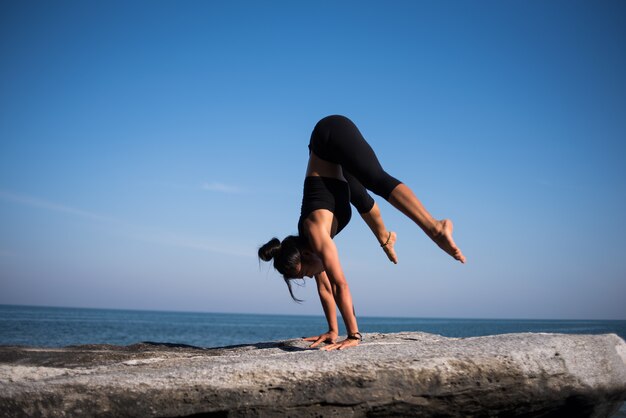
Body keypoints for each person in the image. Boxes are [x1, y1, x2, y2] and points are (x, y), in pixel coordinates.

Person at [258, 115, 465, 351]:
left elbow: (339, 285)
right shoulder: (310, 248)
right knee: (362, 198)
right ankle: (386, 239)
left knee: (374, 178)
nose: (308, 277)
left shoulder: (315, 234)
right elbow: (325, 288)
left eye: (303, 273)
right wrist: (333, 331)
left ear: (306, 254)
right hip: (338, 172)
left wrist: (354, 335)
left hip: (328, 134)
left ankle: (435, 227)